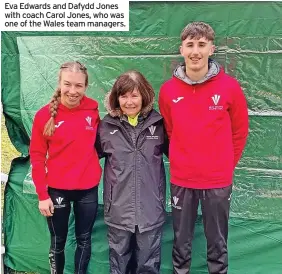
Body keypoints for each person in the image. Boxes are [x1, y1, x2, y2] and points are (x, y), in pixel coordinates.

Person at [158, 22, 249, 274]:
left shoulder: (229, 87)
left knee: (217, 241)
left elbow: (240, 131)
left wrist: (225, 165)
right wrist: (181, 159)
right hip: (182, 178)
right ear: (181, 49)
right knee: (181, 240)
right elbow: (170, 131)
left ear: (212, 48)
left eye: (201, 44)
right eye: (190, 45)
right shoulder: (167, 91)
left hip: (218, 181)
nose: (195, 51)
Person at [30, 61, 102, 274]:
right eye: (68, 84)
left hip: (87, 188)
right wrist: (42, 195)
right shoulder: (44, 115)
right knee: (58, 241)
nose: (73, 91)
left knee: (84, 239)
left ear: (86, 87)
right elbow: (36, 157)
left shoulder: (93, 109)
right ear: (59, 84)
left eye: (78, 86)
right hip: (57, 190)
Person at [95, 70, 168, 274]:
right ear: (116, 98)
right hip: (118, 208)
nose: (129, 102)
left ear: (144, 96)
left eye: (134, 95)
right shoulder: (106, 126)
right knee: (118, 262)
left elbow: (179, 153)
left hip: (150, 208)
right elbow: (89, 156)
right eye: (124, 96)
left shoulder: (159, 124)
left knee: (148, 263)